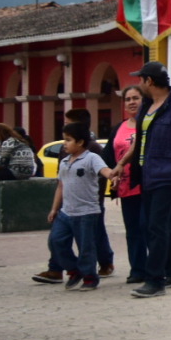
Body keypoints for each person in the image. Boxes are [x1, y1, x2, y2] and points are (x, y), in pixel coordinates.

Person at [126, 61, 171, 298]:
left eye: (140, 79)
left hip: (168, 175)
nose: (139, 84)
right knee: (155, 226)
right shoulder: (148, 106)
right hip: (149, 174)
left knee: (155, 227)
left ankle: (155, 280)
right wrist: (121, 165)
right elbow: (139, 141)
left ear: (149, 81)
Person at [38, 123, 119, 291]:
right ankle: (74, 270)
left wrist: (112, 176)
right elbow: (61, 186)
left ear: (81, 142)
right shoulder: (65, 162)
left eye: (68, 140)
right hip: (66, 211)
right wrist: (54, 209)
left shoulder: (91, 158)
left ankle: (89, 277)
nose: (64, 144)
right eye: (64, 140)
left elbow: (104, 170)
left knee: (86, 247)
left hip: (87, 212)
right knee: (56, 241)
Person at [63, 107, 115, 277]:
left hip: (90, 202)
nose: (65, 126)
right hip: (69, 202)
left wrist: (97, 197)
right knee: (60, 236)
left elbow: (103, 172)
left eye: (68, 123)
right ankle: (58, 267)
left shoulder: (92, 149)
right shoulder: (66, 148)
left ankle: (104, 263)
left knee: (94, 235)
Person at [110, 87, 150, 283]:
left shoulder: (150, 124)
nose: (132, 102)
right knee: (133, 231)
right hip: (126, 187)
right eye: (128, 99)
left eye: (136, 98)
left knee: (148, 227)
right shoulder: (119, 128)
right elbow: (109, 156)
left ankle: (158, 267)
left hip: (147, 185)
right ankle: (137, 270)